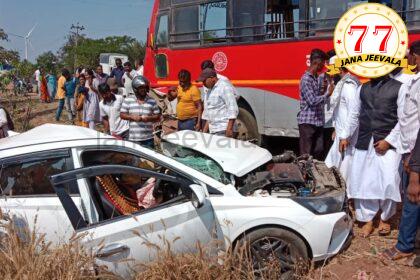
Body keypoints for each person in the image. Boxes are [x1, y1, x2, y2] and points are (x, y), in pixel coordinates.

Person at [349, 73, 408, 238]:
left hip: (387, 143)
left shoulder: (400, 87)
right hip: (364, 141)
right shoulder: (362, 88)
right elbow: (354, 115)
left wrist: (389, 141)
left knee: (389, 181)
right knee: (364, 181)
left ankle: (385, 218)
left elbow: (403, 119)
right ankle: (367, 219)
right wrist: (345, 135)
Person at [382, 40, 420, 261]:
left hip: (415, 155)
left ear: (415, 56)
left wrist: (414, 163)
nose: (406, 61)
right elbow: (406, 121)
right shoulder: (411, 82)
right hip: (409, 151)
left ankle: (404, 246)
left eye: (409, 56)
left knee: (412, 199)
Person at [324, 56, 361, 185]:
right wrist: (335, 127)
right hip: (340, 133)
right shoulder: (341, 84)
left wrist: (346, 136)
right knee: (333, 166)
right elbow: (338, 109)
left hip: (347, 136)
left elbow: (353, 113)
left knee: (345, 169)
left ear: (339, 69)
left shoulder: (349, 87)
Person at [297, 49, 334, 160]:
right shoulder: (306, 80)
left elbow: (318, 97)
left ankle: (311, 172)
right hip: (307, 123)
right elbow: (312, 100)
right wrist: (328, 94)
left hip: (317, 121)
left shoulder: (316, 78)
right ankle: (304, 175)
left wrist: (323, 90)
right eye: (322, 64)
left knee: (319, 149)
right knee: (306, 154)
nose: (323, 67)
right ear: (316, 63)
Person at [120, 76, 161, 148]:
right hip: (134, 139)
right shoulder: (128, 100)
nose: (144, 90)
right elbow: (122, 115)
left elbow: (158, 116)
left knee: (149, 159)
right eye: (141, 88)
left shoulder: (152, 100)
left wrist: (148, 118)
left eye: (145, 87)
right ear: (135, 89)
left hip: (148, 138)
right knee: (135, 159)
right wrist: (131, 117)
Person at [198, 68, 238, 137]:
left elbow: (232, 108)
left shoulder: (224, 87)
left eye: (204, 81)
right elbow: (210, 114)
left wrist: (229, 128)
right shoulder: (209, 91)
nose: (203, 84)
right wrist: (204, 132)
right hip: (213, 130)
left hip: (223, 129)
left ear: (212, 78)